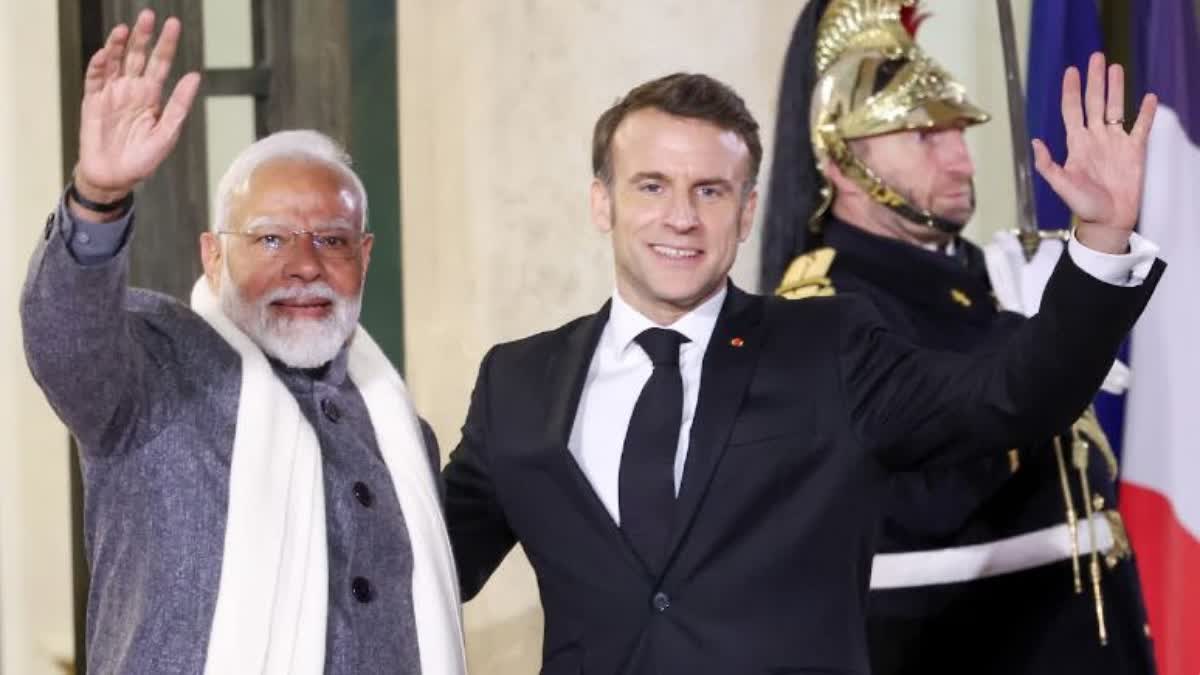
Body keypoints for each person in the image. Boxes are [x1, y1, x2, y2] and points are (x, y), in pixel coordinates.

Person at [442, 49, 1163, 674]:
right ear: (602, 202)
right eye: (652, 186)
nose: (682, 217)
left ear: (748, 209)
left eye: (711, 191)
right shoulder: (517, 383)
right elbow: (424, 565)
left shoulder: (831, 345)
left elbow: (1012, 395)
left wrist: (1099, 239)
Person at [19, 12, 465, 674]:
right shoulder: (154, 370)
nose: (306, 265)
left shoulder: (400, 431)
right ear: (214, 256)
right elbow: (66, 341)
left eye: (333, 239)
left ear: (364, 256)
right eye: (272, 238)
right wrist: (98, 197)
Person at [760, 2, 1157, 673]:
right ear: (838, 154)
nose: (961, 162)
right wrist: (1083, 276)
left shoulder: (982, 275)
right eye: (924, 136)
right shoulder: (824, 311)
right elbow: (988, 423)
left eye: (959, 133)